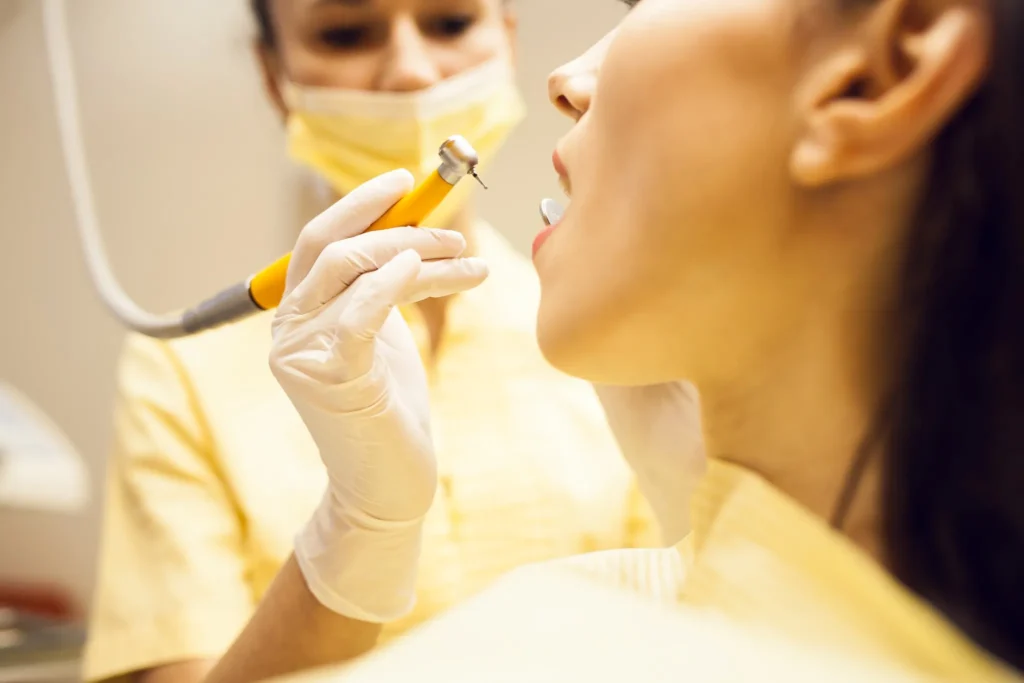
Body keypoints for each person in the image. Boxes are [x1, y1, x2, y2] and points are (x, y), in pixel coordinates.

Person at [182, 0, 1021, 679]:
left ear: (886, 69)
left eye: (644, 0)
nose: (568, 79)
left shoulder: (530, 644)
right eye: (346, 30)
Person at [82, 2, 688, 681]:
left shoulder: (601, 331)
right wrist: (354, 537)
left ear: (507, 40)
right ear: (271, 71)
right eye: (346, 34)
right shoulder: (181, 375)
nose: (410, 71)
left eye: (450, 23)